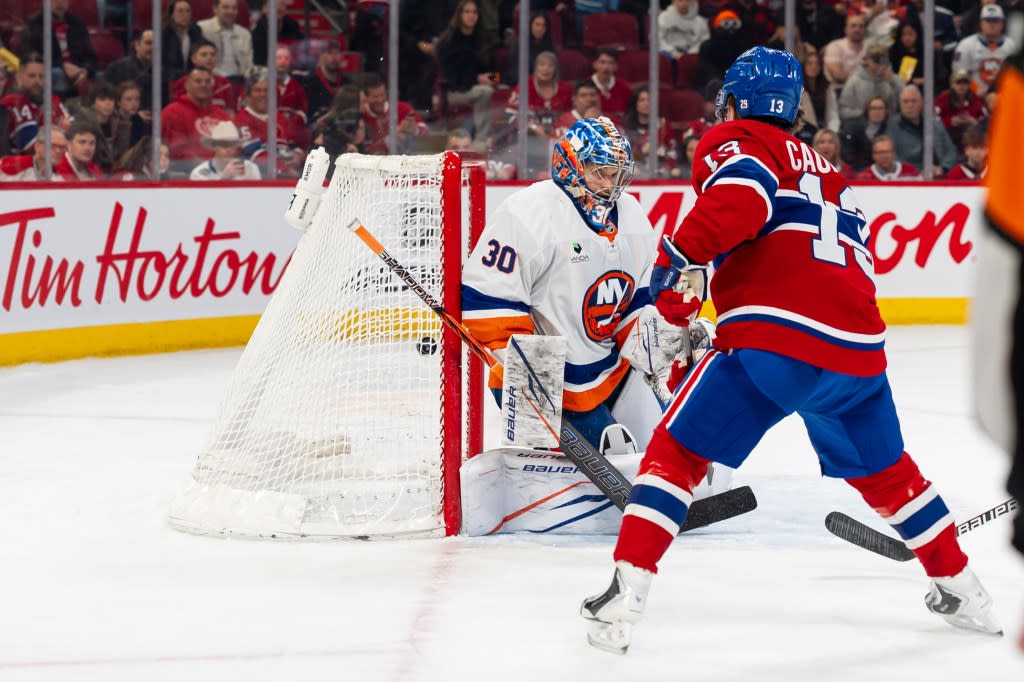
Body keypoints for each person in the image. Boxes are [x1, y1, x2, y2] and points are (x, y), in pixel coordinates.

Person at [580, 46, 1001, 655]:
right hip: (859, 353)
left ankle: (626, 591)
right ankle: (964, 590)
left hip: (777, 341)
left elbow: (740, 202)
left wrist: (671, 281)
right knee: (888, 473)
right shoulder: (829, 171)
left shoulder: (738, 140)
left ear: (735, 102)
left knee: (677, 453)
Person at [461, 116, 711, 459]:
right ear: (570, 165)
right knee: (615, 449)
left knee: (661, 444)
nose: (611, 184)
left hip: (609, 373)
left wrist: (660, 341)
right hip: (548, 384)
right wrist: (531, 374)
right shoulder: (529, 213)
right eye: (600, 172)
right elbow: (486, 299)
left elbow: (635, 301)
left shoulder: (632, 214)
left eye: (617, 174)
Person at [436, 0, 496, 149]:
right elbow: (451, 77)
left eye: (474, 12)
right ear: (459, 15)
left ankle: (489, 138)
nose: (471, 16)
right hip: (456, 90)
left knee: (491, 88)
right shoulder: (449, 41)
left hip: (480, 86)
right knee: (485, 91)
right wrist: (477, 79)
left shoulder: (483, 39)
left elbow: (496, 73)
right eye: (467, 12)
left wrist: (493, 79)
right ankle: (481, 139)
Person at [21, 0, 97, 98]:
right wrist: (62, 65)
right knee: (58, 74)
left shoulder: (78, 24)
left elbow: (91, 57)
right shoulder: (34, 24)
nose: (60, 3)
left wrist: (84, 70)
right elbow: (32, 56)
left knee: (101, 77)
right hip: (51, 71)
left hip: (77, 71)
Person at [161, 67, 232, 168]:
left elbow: (233, 147)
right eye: (198, 81)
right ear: (187, 85)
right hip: (187, 176)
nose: (203, 85)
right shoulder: (172, 112)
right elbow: (177, 151)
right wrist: (209, 168)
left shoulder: (222, 115)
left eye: (207, 81)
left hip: (222, 171)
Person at [0, 53, 70, 153]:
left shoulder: (52, 100)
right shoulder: (13, 102)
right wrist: (62, 131)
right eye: (31, 76)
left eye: (41, 76)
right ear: (18, 77)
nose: (37, 81)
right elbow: (34, 147)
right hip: (20, 164)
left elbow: (75, 136)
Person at [889, 84, 957, 176]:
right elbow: (890, 157)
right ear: (900, 104)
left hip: (941, 174)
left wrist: (943, 168)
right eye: (905, 102)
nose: (910, 105)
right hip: (911, 178)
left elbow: (951, 150)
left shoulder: (935, 124)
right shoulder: (892, 127)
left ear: (921, 103)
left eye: (914, 101)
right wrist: (916, 172)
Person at [953, 4, 1016, 96]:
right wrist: (976, 91)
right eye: (988, 20)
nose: (991, 24)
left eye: (995, 21)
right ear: (981, 23)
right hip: (972, 96)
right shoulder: (966, 45)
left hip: (1006, 96)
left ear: (1002, 23)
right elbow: (959, 75)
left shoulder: (1013, 46)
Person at [197, 0, 254, 81]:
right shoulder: (202, 29)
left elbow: (249, 65)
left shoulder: (245, 34)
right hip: (211, 79)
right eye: (225, 7)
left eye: (234, 8)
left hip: (240, 81)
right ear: (215, 9)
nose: (230, 11)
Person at [936, 68, 988, 153]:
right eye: (958, 83)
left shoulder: (975, 99)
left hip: (970, 138)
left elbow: (985, 120)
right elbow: (932, 120)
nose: (962, 86)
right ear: (952, 84)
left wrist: (974, 122)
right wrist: (949, 121)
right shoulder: (943, 99)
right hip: (948, 137)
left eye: (965, 83)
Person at [190, 120, 261, 180]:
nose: (229, 149)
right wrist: (223, 179)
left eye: (232, 145)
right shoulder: (199, 173)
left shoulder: (250, 168)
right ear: (214, 146)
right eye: (224, 145)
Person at [162, 0, 205, 87]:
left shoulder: (195, 31)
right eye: (180, 11)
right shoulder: (163, 33)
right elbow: (164, 65)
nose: (185, 15)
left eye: (187, 11)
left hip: (193, 79)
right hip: (168, 80)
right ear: (171, 14)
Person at [823, 13, 868, 93]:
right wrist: (865, 80)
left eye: (861, 26)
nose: (857, 29)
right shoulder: (835, 46)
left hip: (864, 91)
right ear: (846, 29)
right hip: (839, 91)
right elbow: (838, 75)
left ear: (865, 30)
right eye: (853, 26)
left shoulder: (869, 49)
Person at [0, 128, 66, 181]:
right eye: (53, 145)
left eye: (62, 147)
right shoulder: (14, 166)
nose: (58, 151)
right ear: (37, 146)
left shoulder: (61, 176)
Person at [854, 134, 920, 180]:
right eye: (880, 153)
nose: (884, 156)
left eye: (887, 152)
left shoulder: (911, 171)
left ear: (894, 153)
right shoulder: (864, 177)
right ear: (873, 155)